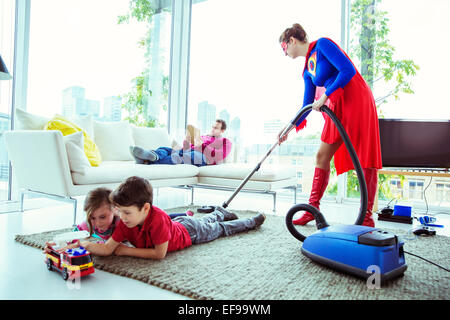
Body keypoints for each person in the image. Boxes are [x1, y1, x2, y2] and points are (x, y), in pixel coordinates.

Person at [278, 24, 382, 227]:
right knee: (321, 156)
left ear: (292, 40)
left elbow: (347, 70)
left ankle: (367, 218)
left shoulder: (322, 45)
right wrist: (287, 129)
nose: (285, 53)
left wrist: (325, 95)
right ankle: (312, 210)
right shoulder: (307, 70)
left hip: (356, 99)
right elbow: (306, 105)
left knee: (364, 156)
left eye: (284, 47)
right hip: (337, 106)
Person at [48, 176, 265, 259]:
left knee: (219, 229)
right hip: (179, 224)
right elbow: (105, 248)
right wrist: (80, 244)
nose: (122, 218)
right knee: (206, 220)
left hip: (190, 233)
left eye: (127, 212)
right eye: (120, 212)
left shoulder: (157, 218)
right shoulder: (125, 221)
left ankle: (250, 222)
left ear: (145, 208)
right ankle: (219, 212)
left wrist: (126, 250)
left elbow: (159, 254)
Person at [130, 119, 232, 167]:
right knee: (165, 149)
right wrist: (187, 140)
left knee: (188, 156)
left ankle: (146, 161)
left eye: (216, 128)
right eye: (212, 126)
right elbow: (186, 148)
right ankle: (153, 155)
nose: (212, 129)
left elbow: (218, 156)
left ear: (222, 131)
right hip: (188, 151)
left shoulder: (225, 142)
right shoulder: (203, 136)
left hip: (203, 158)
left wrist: (202, 145)